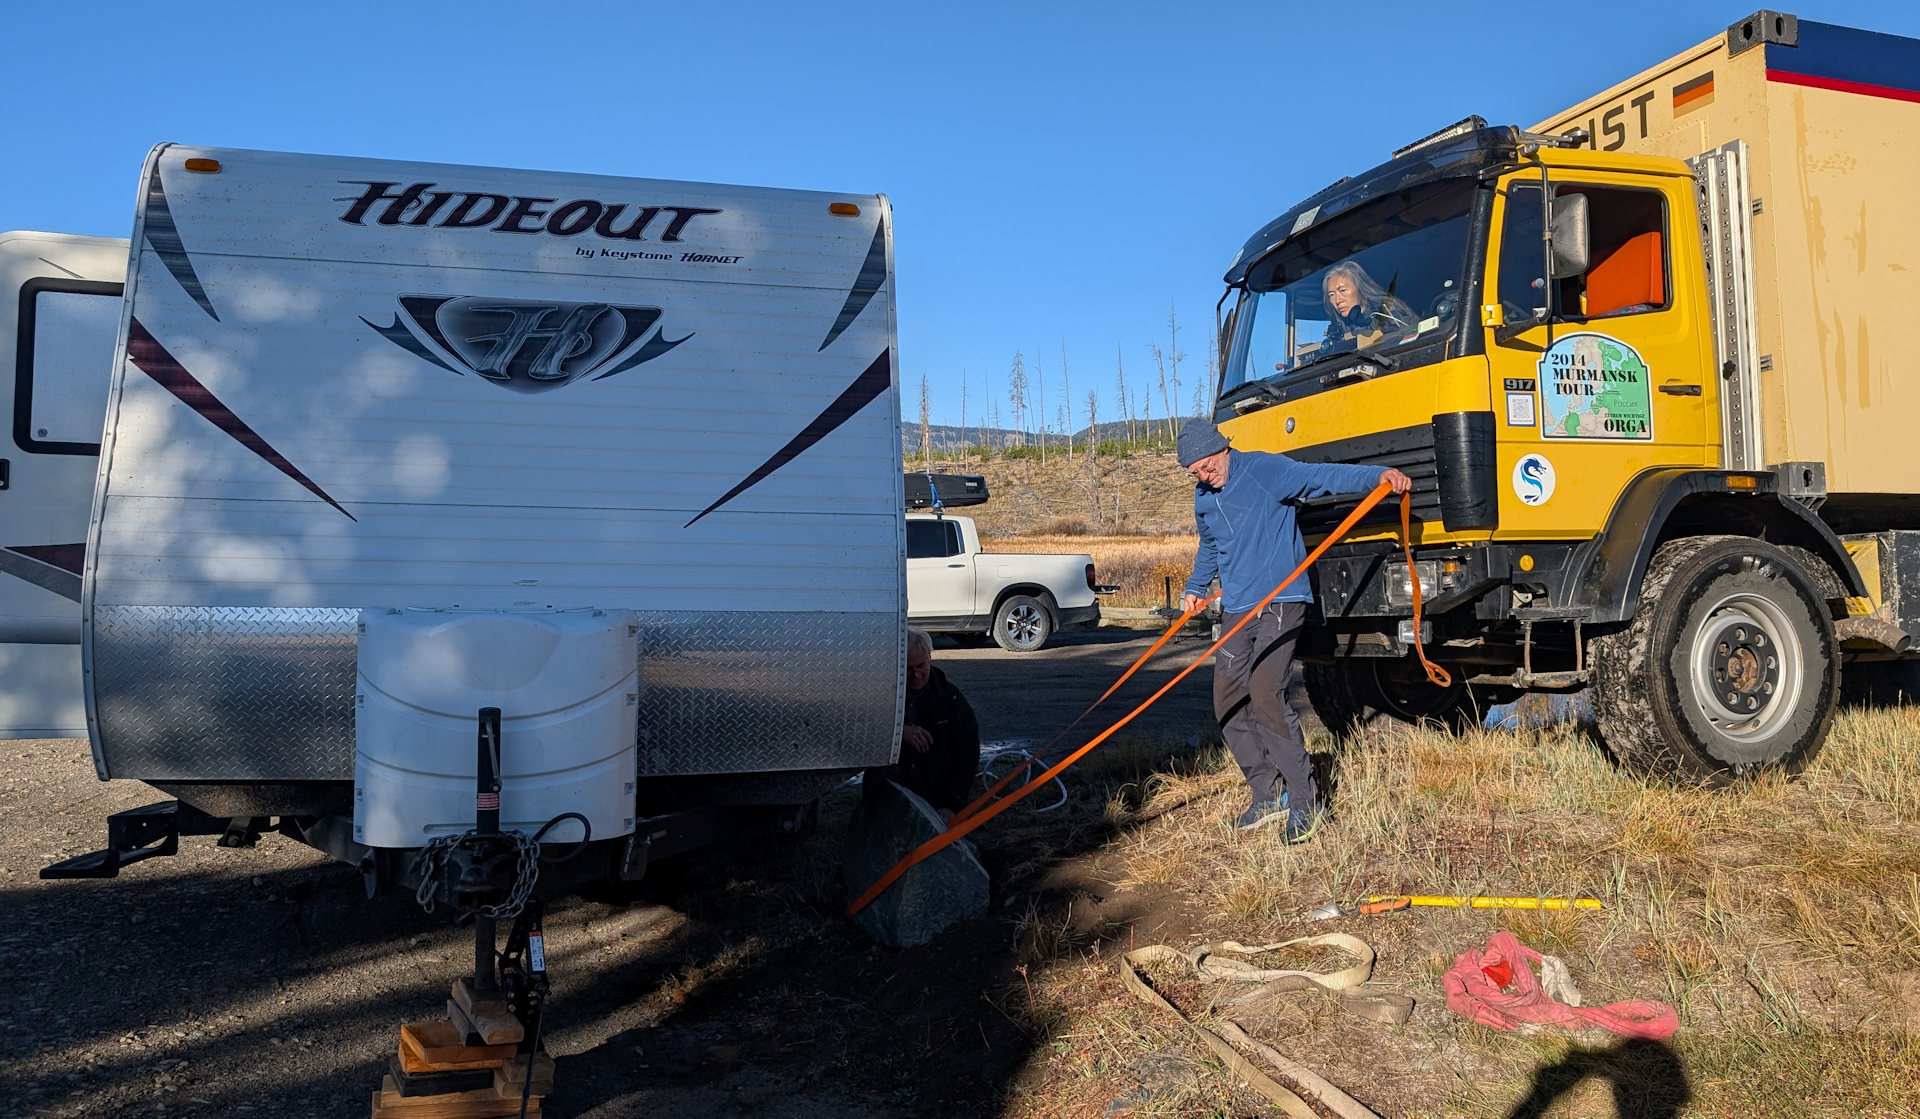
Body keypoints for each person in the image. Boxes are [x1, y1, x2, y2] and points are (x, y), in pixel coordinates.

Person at [1177, 419, 1412, 841]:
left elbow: (1320, 477)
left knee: (1266, 691)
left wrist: (1376, 476)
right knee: (1226, 699)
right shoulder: (1204, 498)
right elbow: (1210, 544)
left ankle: (1307, 801)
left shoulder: (1265, 471)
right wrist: (1196, 588)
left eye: (1207, 467)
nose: (1203, 478)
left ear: (1222, 449)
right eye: (1194, 473)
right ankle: (1268, 794)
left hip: (1282, 602)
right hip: (1237, 608)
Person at [866, 628, 981, 821]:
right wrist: (897, 732)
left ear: (930, 659)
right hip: (891, 791)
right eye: (908, 669)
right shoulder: (881, 697)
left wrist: (952, 805)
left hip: (937, 795)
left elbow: (967, 754)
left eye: (920, 666)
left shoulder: (950, 698)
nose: (915, 675)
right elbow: (863, 736)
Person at [1322, 261, 1417, 353]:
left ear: (1359, 288)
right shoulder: (1337, 335)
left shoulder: (1389, 313)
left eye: (1342, 290)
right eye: (1331, 295)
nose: (1338, 300)